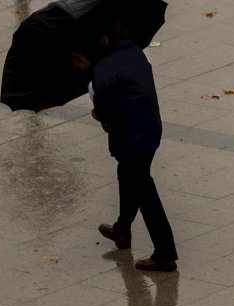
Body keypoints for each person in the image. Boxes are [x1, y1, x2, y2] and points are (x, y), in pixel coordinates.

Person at [91, 20, 178, 272]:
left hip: (131, 139)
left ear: (104, 40)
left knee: (144, 191)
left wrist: (98, 113)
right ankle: (122, 230)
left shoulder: (105, 67)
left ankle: (165, 253)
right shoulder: (134, 53)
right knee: (129, 177)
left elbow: (105, 107)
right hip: (149, 131)